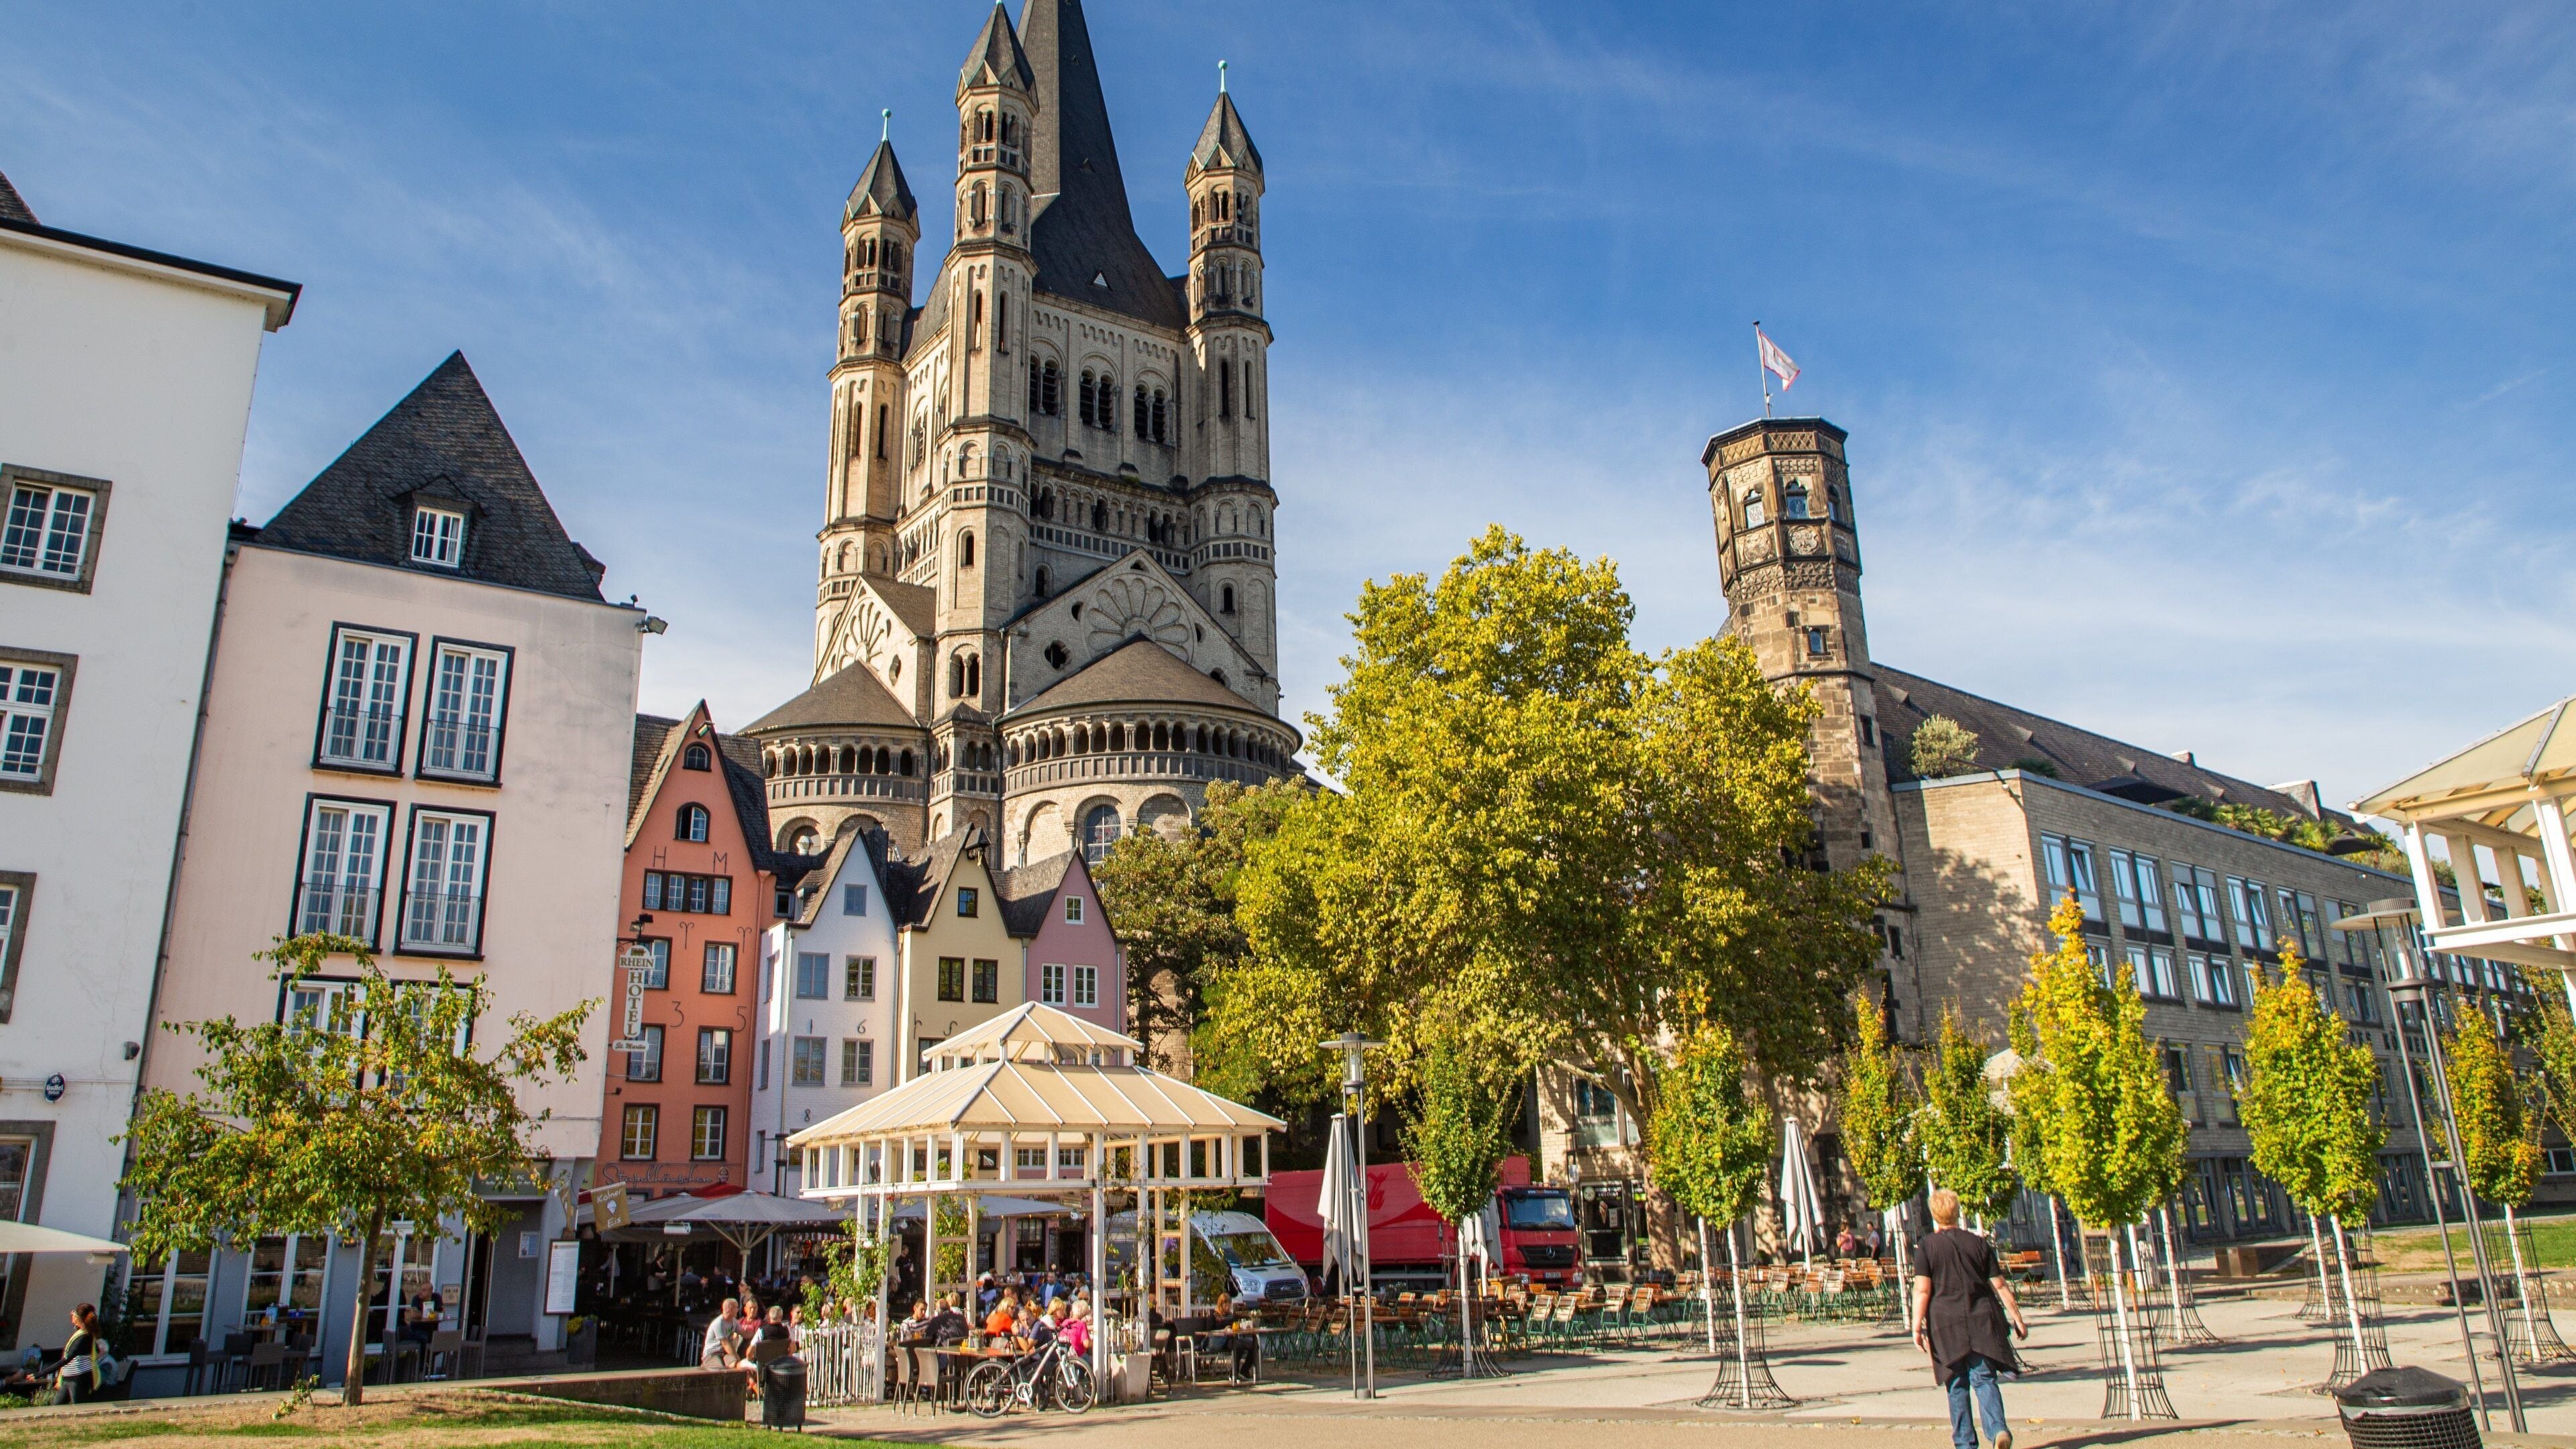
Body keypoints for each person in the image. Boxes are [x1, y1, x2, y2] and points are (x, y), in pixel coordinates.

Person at [1911, 1189, 2030, 1449]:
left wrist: (1916, 1326)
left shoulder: (1927, 1247)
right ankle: (1998, 1429)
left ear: (1934, 1214)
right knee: (1984, 1379)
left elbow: (1922, 1290)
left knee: (1956, 1384)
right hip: (1981, 1320)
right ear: (1958, 1211)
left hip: (1945, 1324)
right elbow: (1999, 1286)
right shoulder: (1979, 1244)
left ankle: (1965, 1443)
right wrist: (2017, 1318)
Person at [56, 1303, 105, 1405]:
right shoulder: (81, 1334)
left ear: (78, 1318)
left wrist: (38, 1375)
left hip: (78, 1376)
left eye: (74, 1312)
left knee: (78, 1407)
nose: (71, 1313)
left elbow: (67, 1359)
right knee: (57, 1407)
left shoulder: (85, 1336)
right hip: (68, 1376)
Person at [702, 1298, 743, 1371]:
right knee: (719, 1368)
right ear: (729, 1309)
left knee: (734, 1364)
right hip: (712, 1353)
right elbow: (725, 1343)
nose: (738, 1309)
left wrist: (757, 1333)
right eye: (736, 1307)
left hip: (725, 1353)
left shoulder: (734, 1321)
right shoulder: (719, 1323)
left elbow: (744, 1333)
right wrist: (736, 1356)